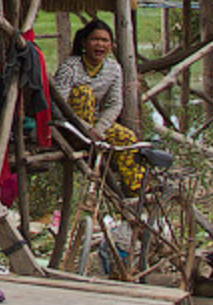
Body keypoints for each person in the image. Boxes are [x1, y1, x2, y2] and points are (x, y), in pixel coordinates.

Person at [50, 18, 143, 193]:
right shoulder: (70, 67)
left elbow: (115, 104)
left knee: (128, 138)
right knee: (83, 92)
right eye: (95, 39)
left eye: (105, 40)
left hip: (95, 129)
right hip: (70, 128)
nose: (100, 44)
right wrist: (84, 128)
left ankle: (135, 190)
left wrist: (99, 129)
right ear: (85, 42)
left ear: (111, 45)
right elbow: (57, 107)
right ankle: (85, 137)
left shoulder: (114, 68)